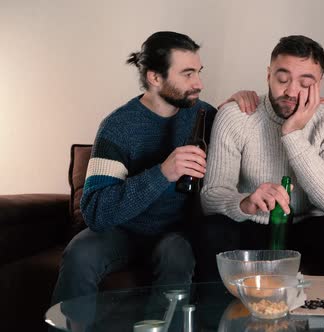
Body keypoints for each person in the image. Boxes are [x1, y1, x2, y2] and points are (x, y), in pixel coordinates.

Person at [51, 31, 217, 307]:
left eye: (198, 72)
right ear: (154, 77)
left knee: (177, 255)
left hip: (175, 232)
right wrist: (162, 172)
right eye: (187, 74)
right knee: (80, 253)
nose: (198, 83)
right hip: (122, 231)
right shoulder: (118, 127)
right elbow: (96, 212)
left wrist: (243, 99)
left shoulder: (206, 116)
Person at [197, 35, 324, 279]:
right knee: (212, 230)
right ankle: (214, 315)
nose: (291, 90)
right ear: (268, 75)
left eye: (305, 83)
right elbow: (210, 199)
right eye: (282, 79)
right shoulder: (236, 114)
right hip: (250, 225)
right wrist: (246, 202)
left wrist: (292, 133)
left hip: (306, 229)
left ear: (320, 83)